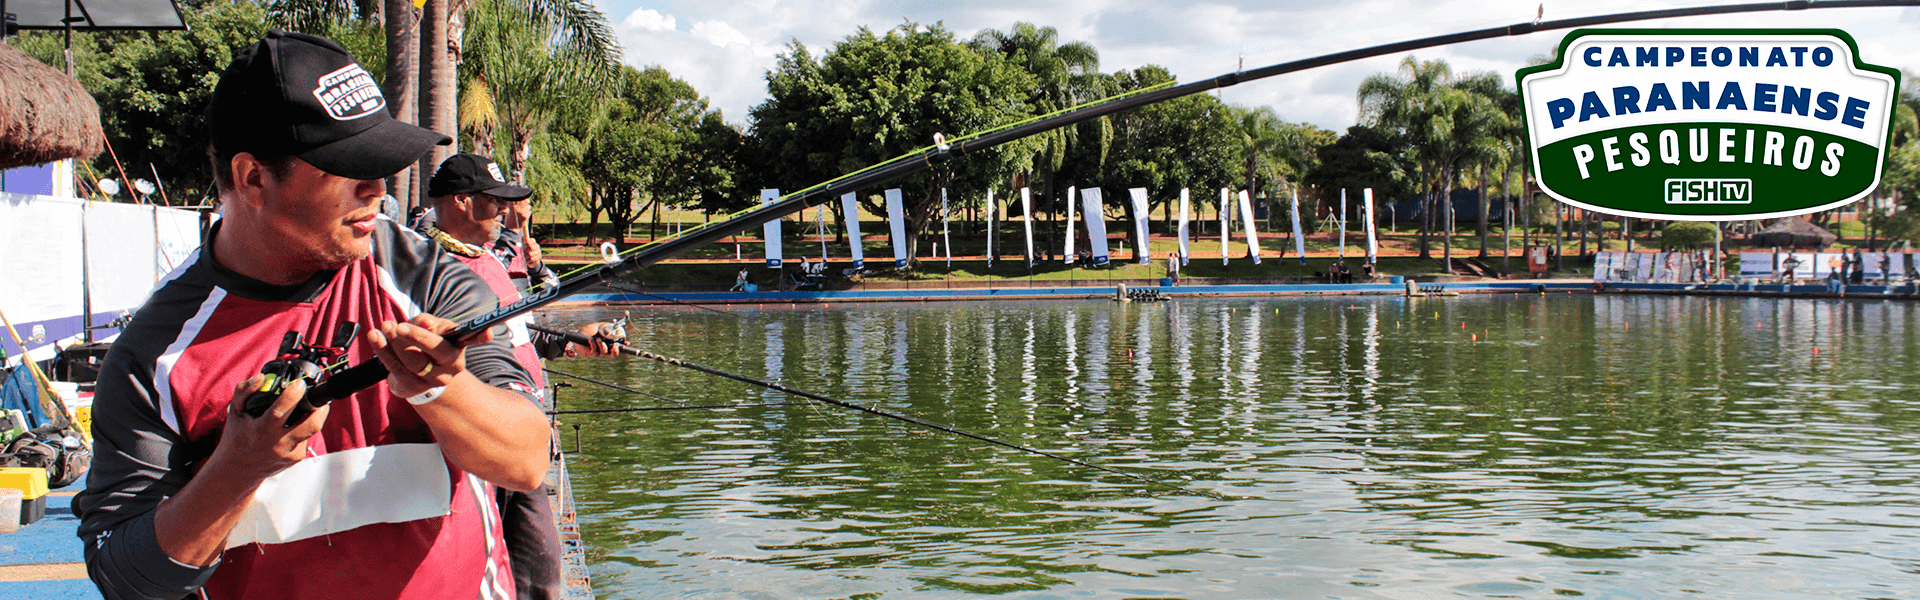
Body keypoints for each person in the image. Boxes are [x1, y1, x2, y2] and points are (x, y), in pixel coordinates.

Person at [76, 31, 547, 600]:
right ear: (253, 178)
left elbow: (526, 460)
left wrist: (443, 389)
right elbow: (127, 579)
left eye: (382, 163)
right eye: (347, 167)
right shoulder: (154, 357)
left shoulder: (425, 276)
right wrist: (236, 466)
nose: (375, 189)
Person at [426, 152, 617, 600]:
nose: (503, 212)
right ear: (460, 202)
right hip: (491, 436)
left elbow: (518, 335)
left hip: (523, 427)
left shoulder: (489, 260)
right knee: (535, 575)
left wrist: (573, 341)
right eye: (494, 201)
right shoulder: (430, 270)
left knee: (541, 574)